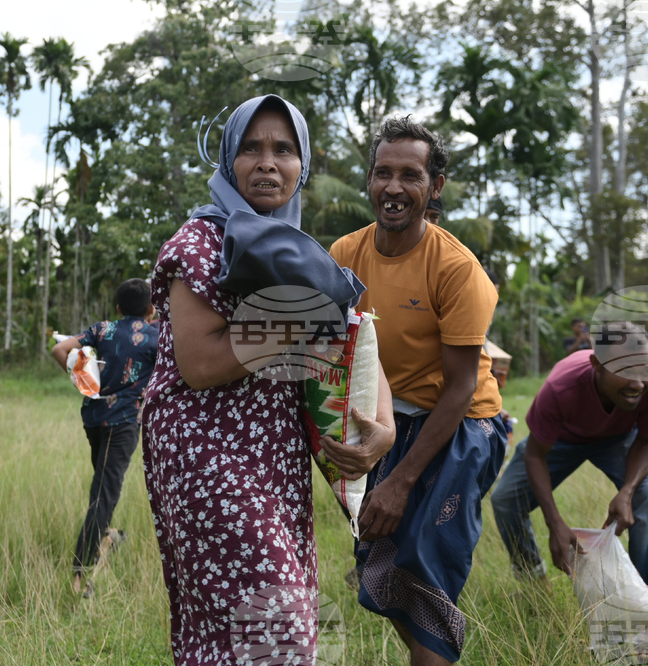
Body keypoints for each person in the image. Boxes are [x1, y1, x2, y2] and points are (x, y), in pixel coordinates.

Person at [141, 94, 394, 664]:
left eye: (283, 149)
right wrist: (296, 319)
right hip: (206, 457)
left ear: (302, 165)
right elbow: (199, 365)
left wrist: (385, 426)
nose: (267, 163)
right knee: (277, 626)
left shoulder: (297, 253)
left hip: (275, 458)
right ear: (228, 159)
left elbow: (352, 336)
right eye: (251, 148)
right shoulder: (200, 241)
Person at [328, 116, 506, 665]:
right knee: (383, 563)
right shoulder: (344, 255)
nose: (394, 187)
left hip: (461, 427)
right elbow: (334, 358)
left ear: (435, 186)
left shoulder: (457, 269)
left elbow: (459, 389)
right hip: (384, 422)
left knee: (426, 570)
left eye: (411, 175)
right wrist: (342, 464)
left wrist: (400, 482)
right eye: (383, 172)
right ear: (369, 179)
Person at [490, 322, 648, 591]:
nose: (637, 383)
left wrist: (627, 491)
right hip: (563, 439)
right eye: (624, 370)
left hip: (621, 438)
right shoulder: (560, 387)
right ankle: (535, 584)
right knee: (505, 499)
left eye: (645, 368)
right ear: (597, 364)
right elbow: (535, 455)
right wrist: (554, 523)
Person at [52, 278, 159, 597]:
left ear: (118, 308)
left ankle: (108, 535)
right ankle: (80, 574)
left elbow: (60, 349)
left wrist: (81, 379)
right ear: (152, 309)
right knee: (104, 494)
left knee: (102, 484)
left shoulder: (102, 329)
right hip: (123, 423)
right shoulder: (157, 336)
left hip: (94, 418)